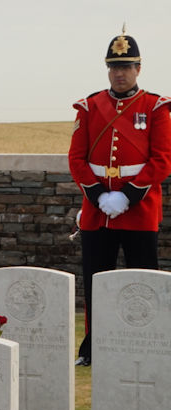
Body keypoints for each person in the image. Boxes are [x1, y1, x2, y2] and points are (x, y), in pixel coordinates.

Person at [68, 26, 171, 366]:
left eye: (126, 66)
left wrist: (127, 195)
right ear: (108, 69)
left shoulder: (155, 107)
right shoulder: (90, 106)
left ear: (138, 69)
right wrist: (98, 195)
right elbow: (77, 159)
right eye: (114, 67)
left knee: (143, 280)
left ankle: (147, 344)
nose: (120, 73)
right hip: (98, 210)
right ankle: (93, 348)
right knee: (97, 280)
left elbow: (162, 160)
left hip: (138, 209)